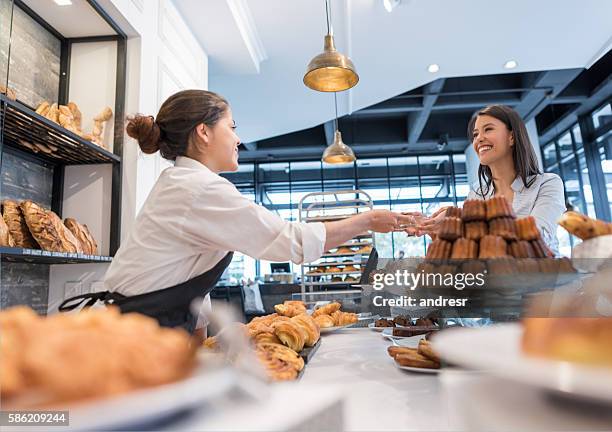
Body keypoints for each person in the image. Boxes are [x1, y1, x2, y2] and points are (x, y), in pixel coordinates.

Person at [59, 89, 411, 334]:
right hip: (140, 335)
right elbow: (290, 242)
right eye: (232, 127)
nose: (238, 139)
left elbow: (188, 271)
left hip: (146, 326)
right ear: (203, 132)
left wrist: (199, 334)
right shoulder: (198, 189)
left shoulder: (184, 184)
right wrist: (368, 220)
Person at [410, 105, 565, 254]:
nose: (479, 139)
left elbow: (539, 236)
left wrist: (463, 219)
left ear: (511, 137)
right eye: (475, 134)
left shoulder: (547, 183)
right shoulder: (477, 194)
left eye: (488, 129)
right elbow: (471, 248)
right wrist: (438, 229)